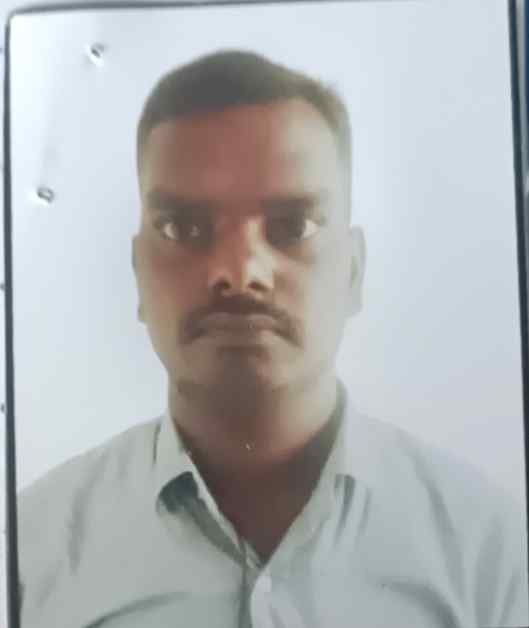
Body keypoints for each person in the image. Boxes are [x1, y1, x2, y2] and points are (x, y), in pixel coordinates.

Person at [17, 50, 528, 628]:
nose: (240, 273)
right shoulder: (30, 555)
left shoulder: (491, 557)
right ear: (138, 272)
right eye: (183, 227)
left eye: (292, 226)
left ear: (353, 271)